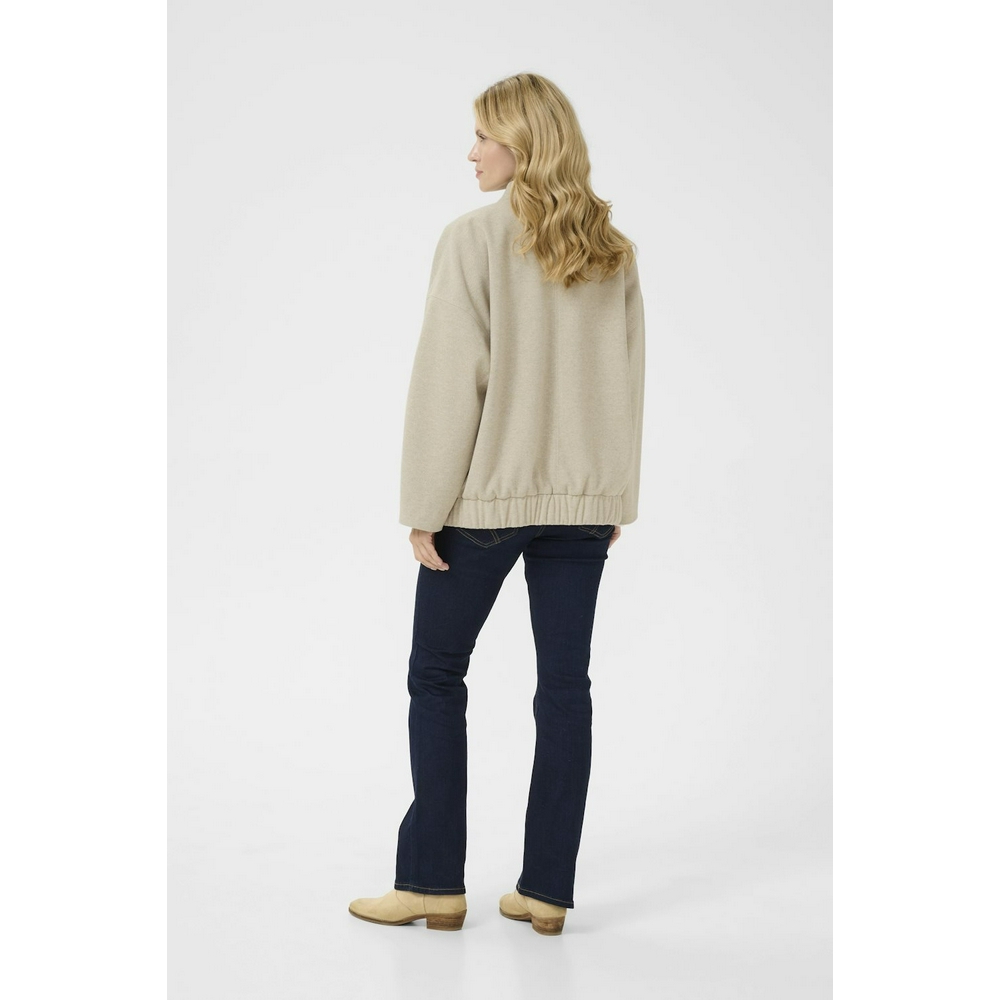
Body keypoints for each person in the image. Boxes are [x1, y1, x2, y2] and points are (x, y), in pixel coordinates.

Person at [349, 72, 645, 936]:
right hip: (581, 504)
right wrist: (612, 494)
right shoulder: (612, 250)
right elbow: (627, 381)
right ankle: (546, 890)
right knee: (565, 689)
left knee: (437, 677)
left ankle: (432, 883)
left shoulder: (472, 240)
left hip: (482, 505)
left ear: (522, 143)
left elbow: (451, 383)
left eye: (484, 135)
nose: (471, 151)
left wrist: (423, 505)